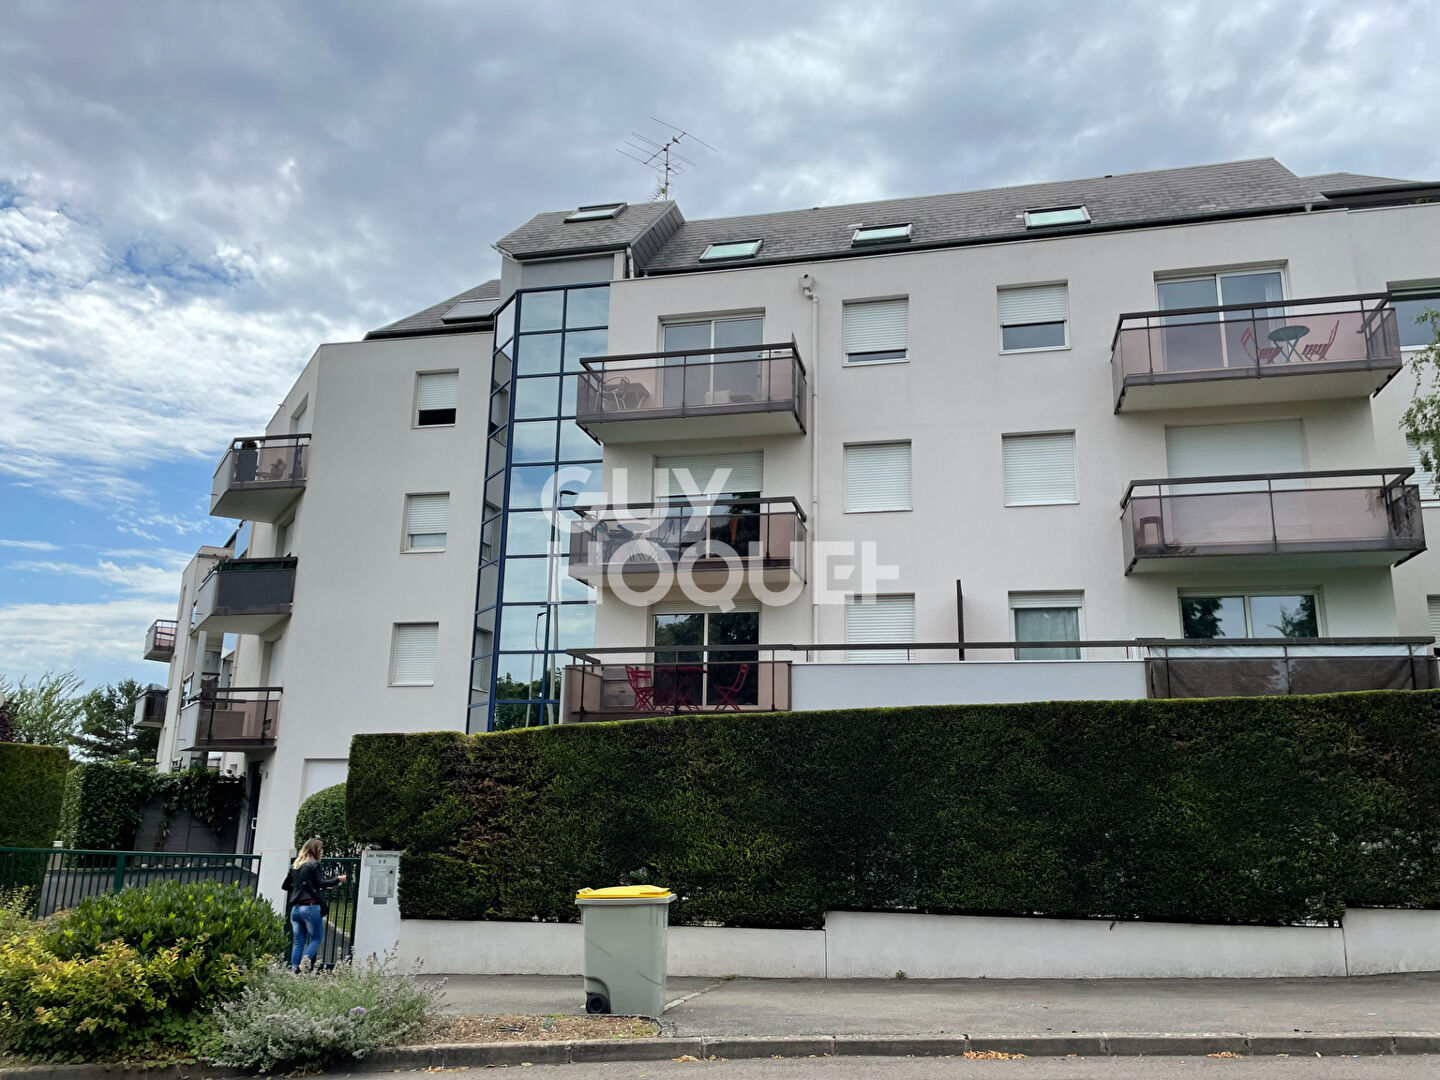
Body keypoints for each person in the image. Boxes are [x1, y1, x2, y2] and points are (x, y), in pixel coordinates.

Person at [280, 838, 347, 973]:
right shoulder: (313, 864)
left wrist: (300, 886)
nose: (321, 852)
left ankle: (294, 969)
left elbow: (285, 886)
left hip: (296, 910)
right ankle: (303, 965)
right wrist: (337, 880)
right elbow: (321, 883)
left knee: (298, 941)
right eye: (320, 849)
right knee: (316, 938)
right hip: (310, 907)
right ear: (315, 850)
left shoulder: (295, 866)